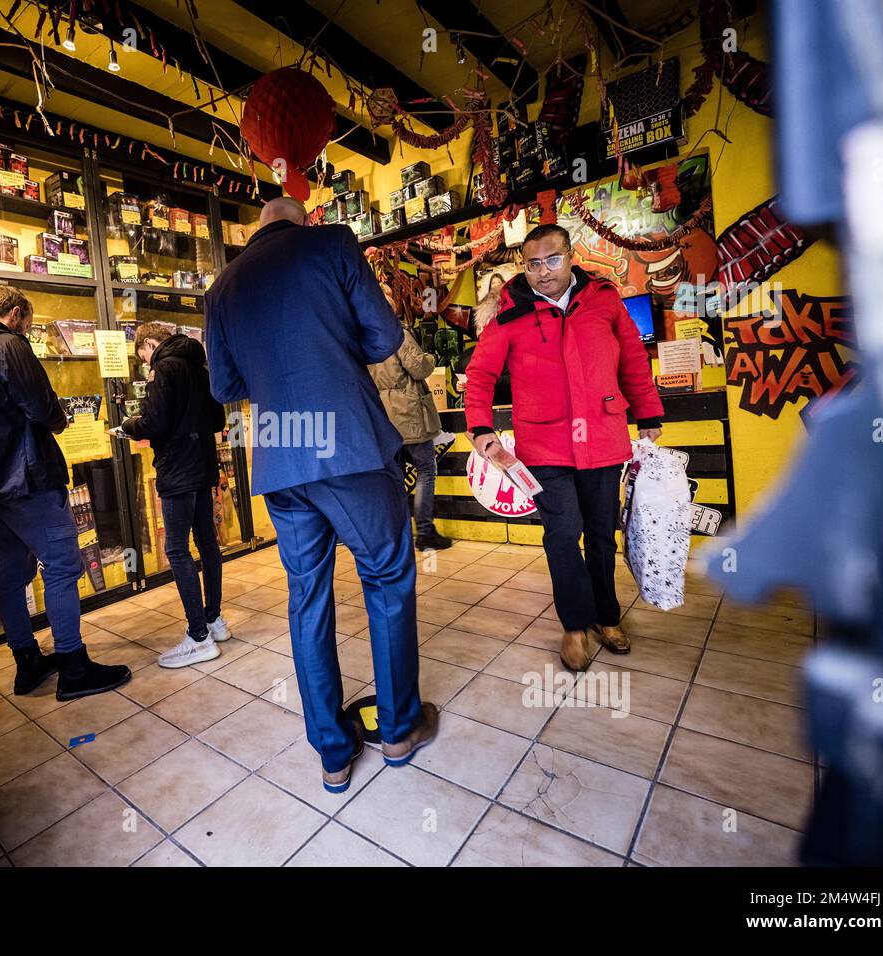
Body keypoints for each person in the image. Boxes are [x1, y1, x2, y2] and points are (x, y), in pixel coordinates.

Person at [206, 196, 439, 794]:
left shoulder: (223, 286)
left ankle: (333, 756)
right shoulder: (331, 244)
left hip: (281, 460)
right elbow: (385, 337)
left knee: (306, 596)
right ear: (301, 219)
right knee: (386, 576)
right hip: (350, 447)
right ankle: (397, 730)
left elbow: (225, 384)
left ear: (258, 229)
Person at [465, 224, 664, 672]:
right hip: (543, 445)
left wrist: (648, 413)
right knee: (562, 532)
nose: (543, 271)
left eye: (552, 259)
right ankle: (575, 626)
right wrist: (481, 427)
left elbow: (632, 357)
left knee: (600, 533)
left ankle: (606, 617)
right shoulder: (509, 313)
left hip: (602, 437)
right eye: (533, 263)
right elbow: (479, 375)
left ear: (571, 256)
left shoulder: (604, 299)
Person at [0, 284, 131, 700]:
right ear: (14, 315)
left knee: (12, 573)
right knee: (63, 565)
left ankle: (27, 663)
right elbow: (44, 407)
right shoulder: (8, 346)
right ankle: (73, 667)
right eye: (28, 324)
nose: (28, 331)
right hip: (25, 477)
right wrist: (59, 417)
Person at [120, 322, 232, 667]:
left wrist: (128, 426)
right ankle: (214, 620)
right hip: (201, 467)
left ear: (150, 343)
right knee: (208, 543)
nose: (145, 362)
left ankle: (198, 637)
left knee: (177, 549)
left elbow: (153, 424)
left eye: (143, 355)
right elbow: (217, 420)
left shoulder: (163, 369)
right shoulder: (200, 368)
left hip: (177, 470)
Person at [369, 318, 453, 551]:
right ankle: (425, 532)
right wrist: (430, 358)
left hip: (383, 416)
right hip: (409, 412)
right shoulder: (396, 335)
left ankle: (399, 535)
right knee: (426, 470)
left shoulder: (363, 337)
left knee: (395, 478)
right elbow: (420, 368)